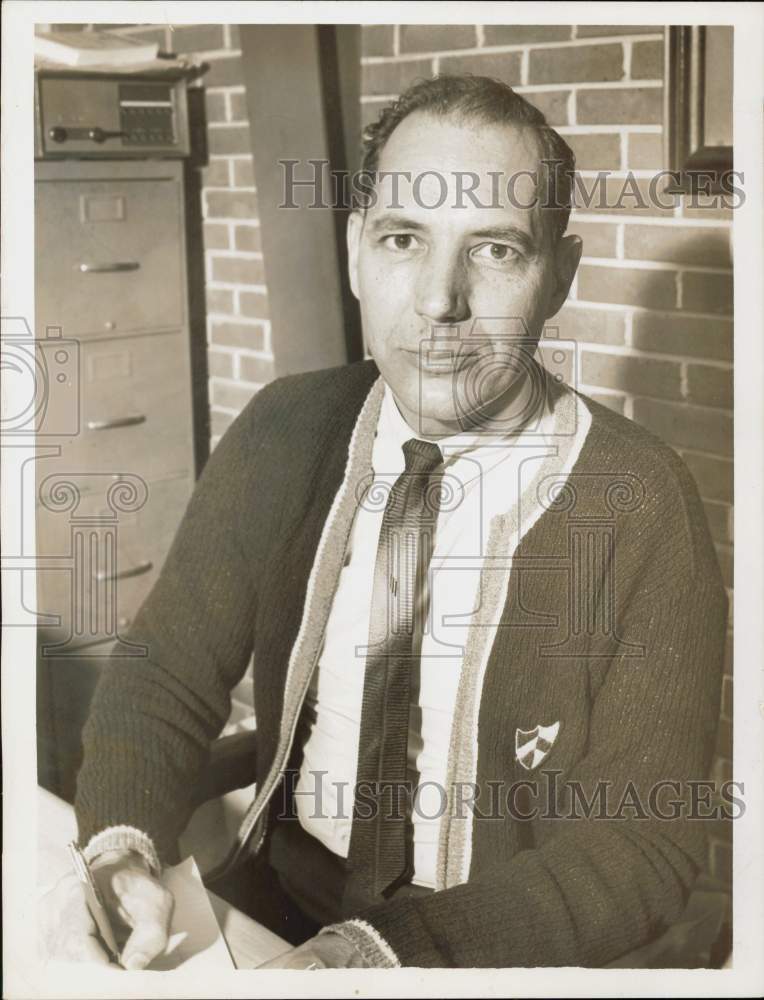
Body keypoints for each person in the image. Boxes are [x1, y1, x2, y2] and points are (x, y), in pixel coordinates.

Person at [40, 75, 727, 970]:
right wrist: (123, 844)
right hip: (272, 910)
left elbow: (644, 848)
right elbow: (165, 672)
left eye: (495, 252)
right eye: (405, 239)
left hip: (494, 949)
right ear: (357, 253)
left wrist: (380, 955)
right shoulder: (289, 428)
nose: (440, 302)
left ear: (559, 277)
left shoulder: (643, 502)